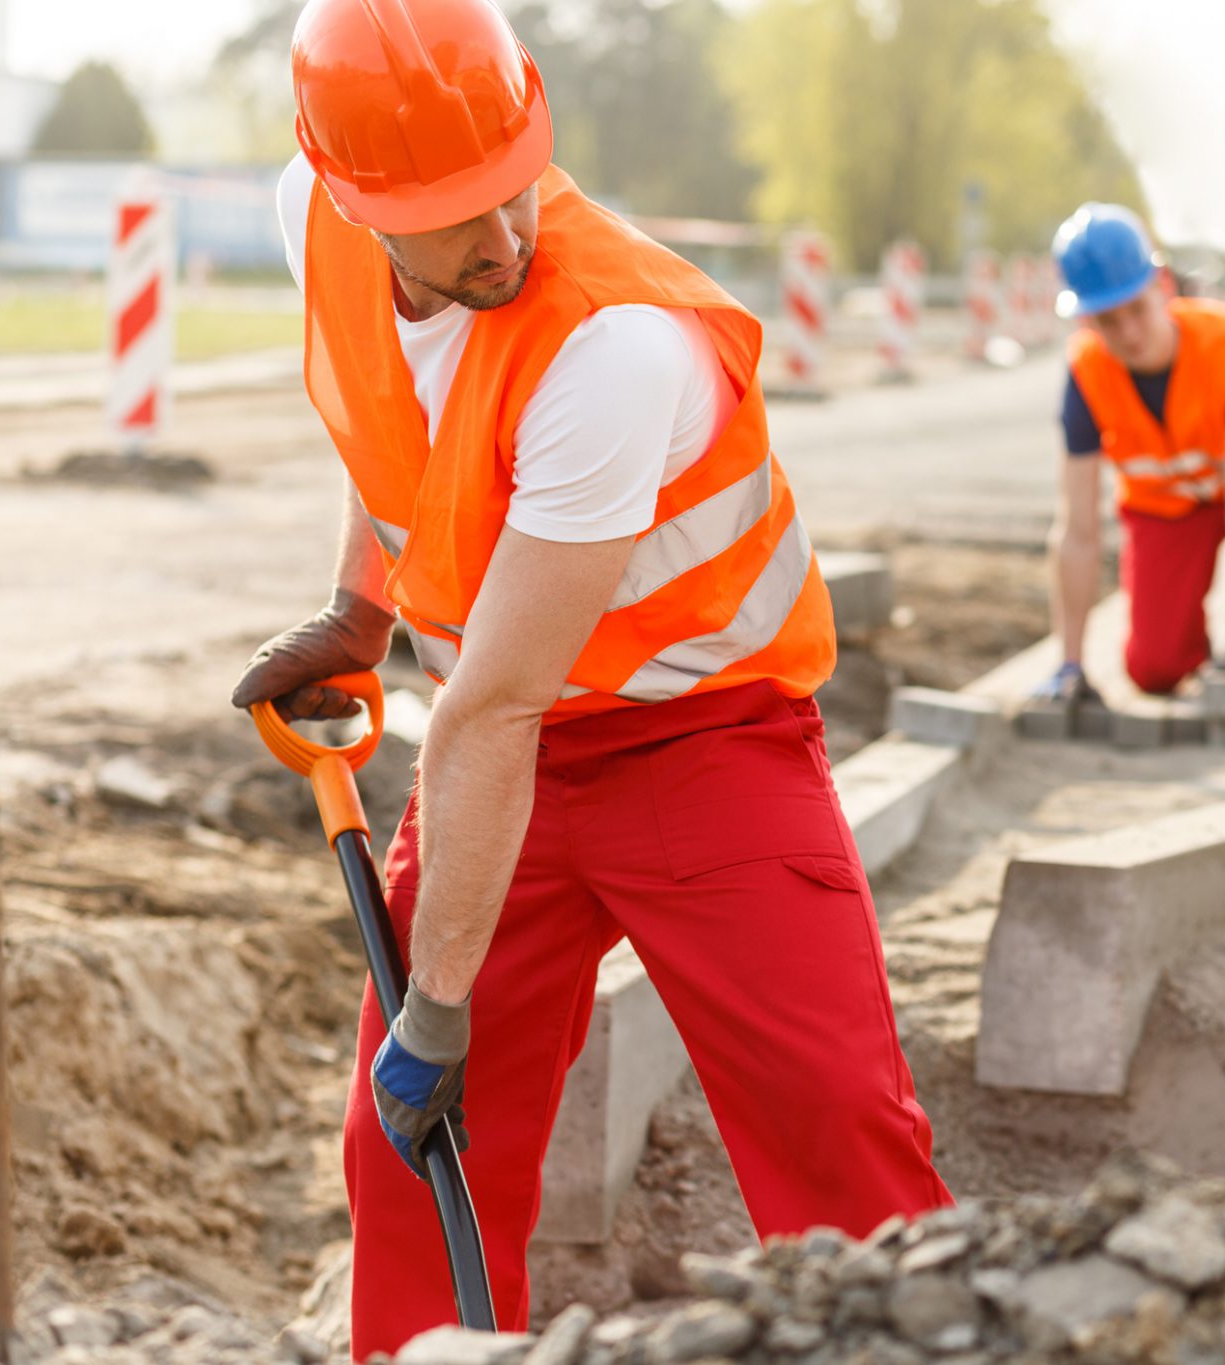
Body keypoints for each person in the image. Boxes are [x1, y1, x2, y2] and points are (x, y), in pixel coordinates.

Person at [231, 0, 950, 1353]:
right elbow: (393, 424)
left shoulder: (610, 343)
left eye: (510, 189)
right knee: (407, 1158)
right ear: (351, 195)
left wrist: (439, 1006)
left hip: (702, 749)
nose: (500, 238)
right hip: (506, 759)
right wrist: (356, 607)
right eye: (451, 213)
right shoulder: (312, 219)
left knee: (838, 1141)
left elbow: (489, 706)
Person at [1037, 203, 1225, 706]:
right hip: (1170, 507)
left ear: (1162, 286)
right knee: (1154, 669)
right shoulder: (1087, 374)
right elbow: (1078, 531)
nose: (1128, 333)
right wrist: (1069, 665)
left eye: (1136, 309)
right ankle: (1195, 658)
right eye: (1108, 320)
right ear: (1085, 318)